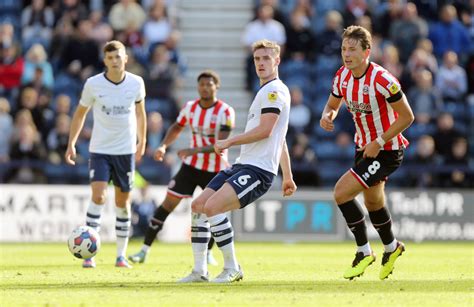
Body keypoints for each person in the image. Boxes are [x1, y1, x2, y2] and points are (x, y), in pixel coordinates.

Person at [180, 39, 297, 283]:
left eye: (266, 58)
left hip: (259, 170)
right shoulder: (264, 91)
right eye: (257, 59)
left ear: (277, 60)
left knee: (213, 207)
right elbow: (280, 137)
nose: (261, 63)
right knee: (199, 205)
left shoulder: (275, 91)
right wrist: (288, 176)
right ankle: (200, 271)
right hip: (243, 165)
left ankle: (232, 268)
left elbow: (266, 131)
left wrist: (229, 142)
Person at [320, 25, 414, 280]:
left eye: (352, 49)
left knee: (341, 192)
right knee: (373, 201)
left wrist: (380, 140)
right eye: (343, 49)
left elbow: (407, 117)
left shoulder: (383, 80)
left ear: (367, 52)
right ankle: (392, 247)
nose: (346, 54)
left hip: (387, 149)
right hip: (363, 147)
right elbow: (332, 104)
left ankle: (363, 251)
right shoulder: (342, 76)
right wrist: (327, 116)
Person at [128, 70, 235, 266]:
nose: (205, 87)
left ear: (216, 87)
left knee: (214, 210)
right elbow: (177, 127)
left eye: (209, 84)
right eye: (201, 84)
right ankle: (144, 250)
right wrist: (163, 145)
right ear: (197, 87)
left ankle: (208, 253)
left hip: (216, 169)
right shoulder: (190, 108)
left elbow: (222, 143)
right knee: (167, 205)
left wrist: (193, 150)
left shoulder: (225, 112)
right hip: (191, 168)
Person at [65, 40, 147, 269]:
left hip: (125, 150)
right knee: (99, 196)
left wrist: (143, 140)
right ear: (105, 60)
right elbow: (80, 114)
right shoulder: (93, 84)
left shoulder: (136, 83)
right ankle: (89, 254)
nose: (114, 61)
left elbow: (141, 114)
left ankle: (120, 255)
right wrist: (71, 142)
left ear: (125, 58)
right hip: (100, 149)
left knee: (123, 202)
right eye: (110, 57)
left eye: (118, 56)